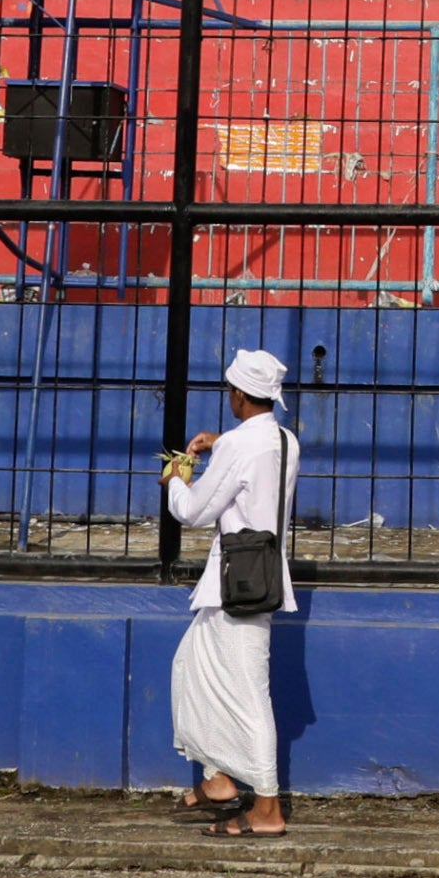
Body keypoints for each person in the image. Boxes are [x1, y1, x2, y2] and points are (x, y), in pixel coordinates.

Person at [164, 349, 297, 837]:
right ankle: (218, 778)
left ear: (239, 394)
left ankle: (267, 809)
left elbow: (194, 511)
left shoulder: (240, 446)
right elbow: (254, 454)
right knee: (190, 669)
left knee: (249, 698)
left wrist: (178, 479)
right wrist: (222, 443)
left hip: (236, 585)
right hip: (256, 578)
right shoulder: (285, 440)